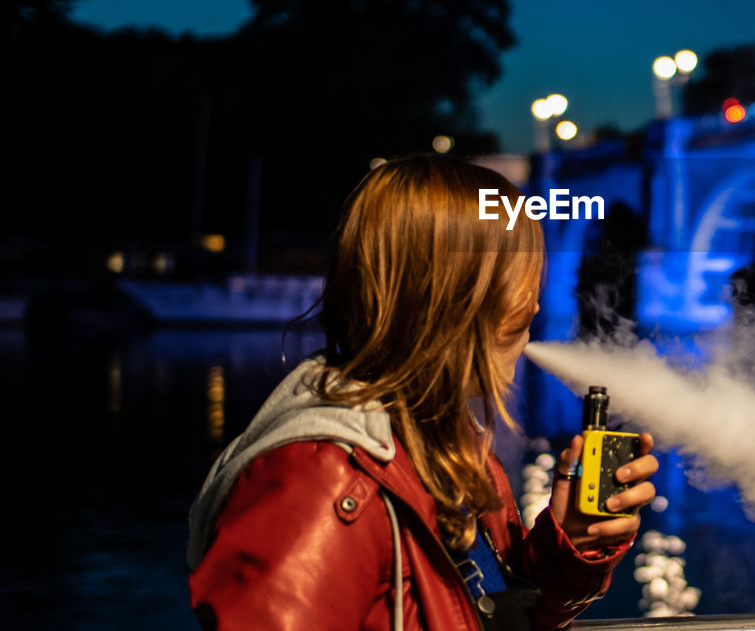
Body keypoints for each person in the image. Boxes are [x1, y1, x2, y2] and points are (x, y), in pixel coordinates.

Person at [187, 154, 659, 629]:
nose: (535, 303)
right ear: (452, 300)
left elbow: (490, 612)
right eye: (521, 283)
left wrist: (570, 544)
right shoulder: (324, 479)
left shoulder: (453, 447)